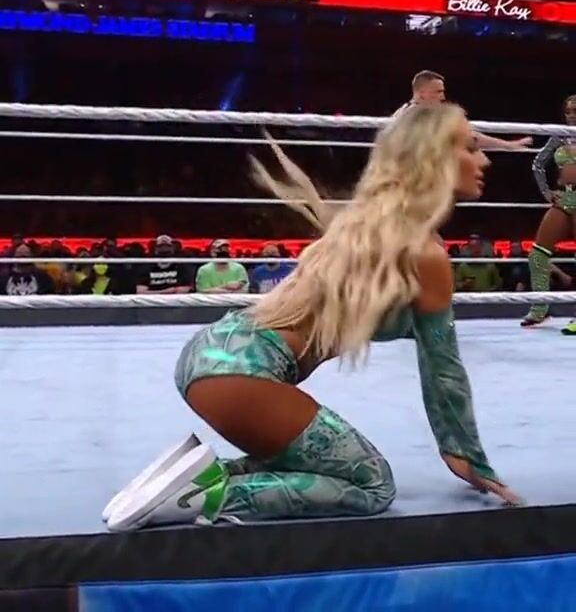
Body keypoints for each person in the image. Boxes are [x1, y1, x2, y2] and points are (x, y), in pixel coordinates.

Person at [104, 104, 521, 532]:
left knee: (316, 463)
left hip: (216, 350)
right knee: (372, 484)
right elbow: (443, 368)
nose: (485, 160)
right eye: (471, 147)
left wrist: (458, 449)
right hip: (242, 372)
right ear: (434, 156)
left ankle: (190, 477)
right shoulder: (424, 253)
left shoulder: (368, 224)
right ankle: (203, 496)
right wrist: (466, 454)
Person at [522, 94, 576, 332]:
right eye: (568, 112)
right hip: (564, 197)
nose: (571, 116)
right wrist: (545, 191)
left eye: (575, 112)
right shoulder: (559, 135)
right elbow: (538, 163)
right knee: (538, 254)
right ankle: (540, 308)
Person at [393, 70, 532, 152]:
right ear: (422, 93)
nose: (443, 97)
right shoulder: (411, 115)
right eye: (438, 92)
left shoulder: (410, 112)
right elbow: (469, 137)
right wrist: (510, 146)